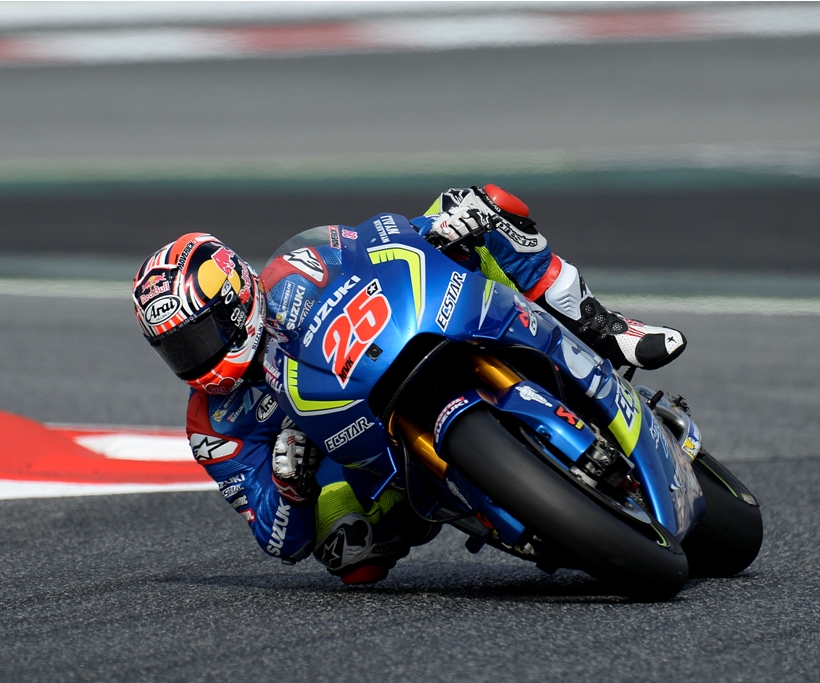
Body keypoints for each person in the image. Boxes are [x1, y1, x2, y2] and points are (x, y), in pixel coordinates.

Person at [131, 185, 686, 584]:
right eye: (177, 348)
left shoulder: (297, 267)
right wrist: (291, 486)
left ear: (234, 300)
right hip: (363, 464)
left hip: (402, 342)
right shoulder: (212, 423)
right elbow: (278, 540)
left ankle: (600, 326)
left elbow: (378, 240)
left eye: (199, 336)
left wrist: (438, 229)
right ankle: (492, 504)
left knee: (475, 205)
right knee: (348, 554)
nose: (195, 358)